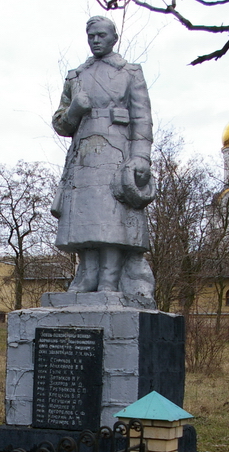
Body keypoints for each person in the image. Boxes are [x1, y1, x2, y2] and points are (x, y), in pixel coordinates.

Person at [51, 16, 156, 298]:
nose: (96, 40)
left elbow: (142, 120)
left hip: (117, 153)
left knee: (112, 219)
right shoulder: (76, 76)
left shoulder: (130, 73)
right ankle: (88, 275)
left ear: (113, 38)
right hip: (84, 155)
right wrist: (75, 109)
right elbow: (61, 123)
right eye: (91, 36)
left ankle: (110, 279)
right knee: (85, 216)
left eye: (101, 35)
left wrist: (141, 158)